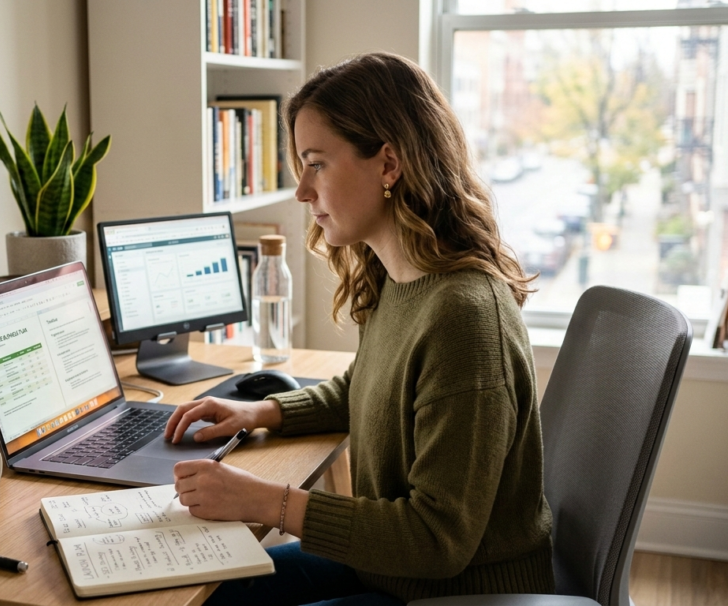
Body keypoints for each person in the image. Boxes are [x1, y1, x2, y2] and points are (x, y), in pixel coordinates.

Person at [164, 52, 554, 605]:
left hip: (453, 590)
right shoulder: (402, 277)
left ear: (388, 164)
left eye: (316, 163)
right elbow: (364, 387)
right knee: (209, 593)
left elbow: (438, 539)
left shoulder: (464, 318)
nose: (302, 190)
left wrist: (267, 502)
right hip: (389, 569)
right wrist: (260, 412)